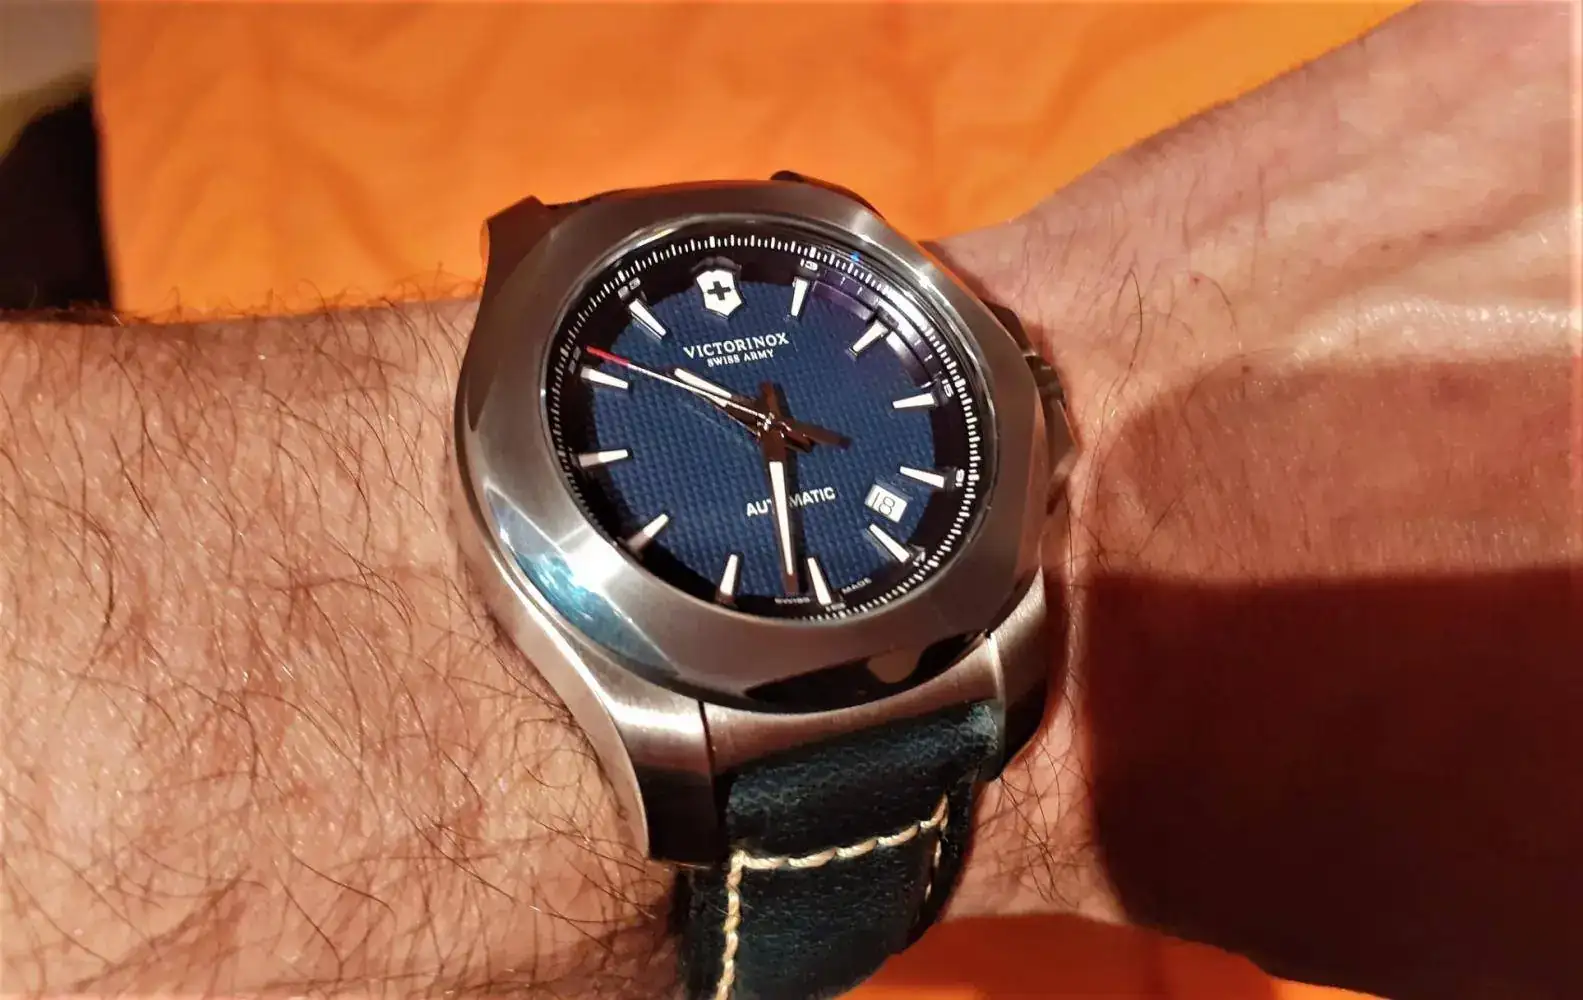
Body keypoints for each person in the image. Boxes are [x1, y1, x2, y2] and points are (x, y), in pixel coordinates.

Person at [1, 2, 1575, 996]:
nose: (766, 418)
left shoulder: (938, 404)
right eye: (744, 413)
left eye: (770, 406)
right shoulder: (561, 475)